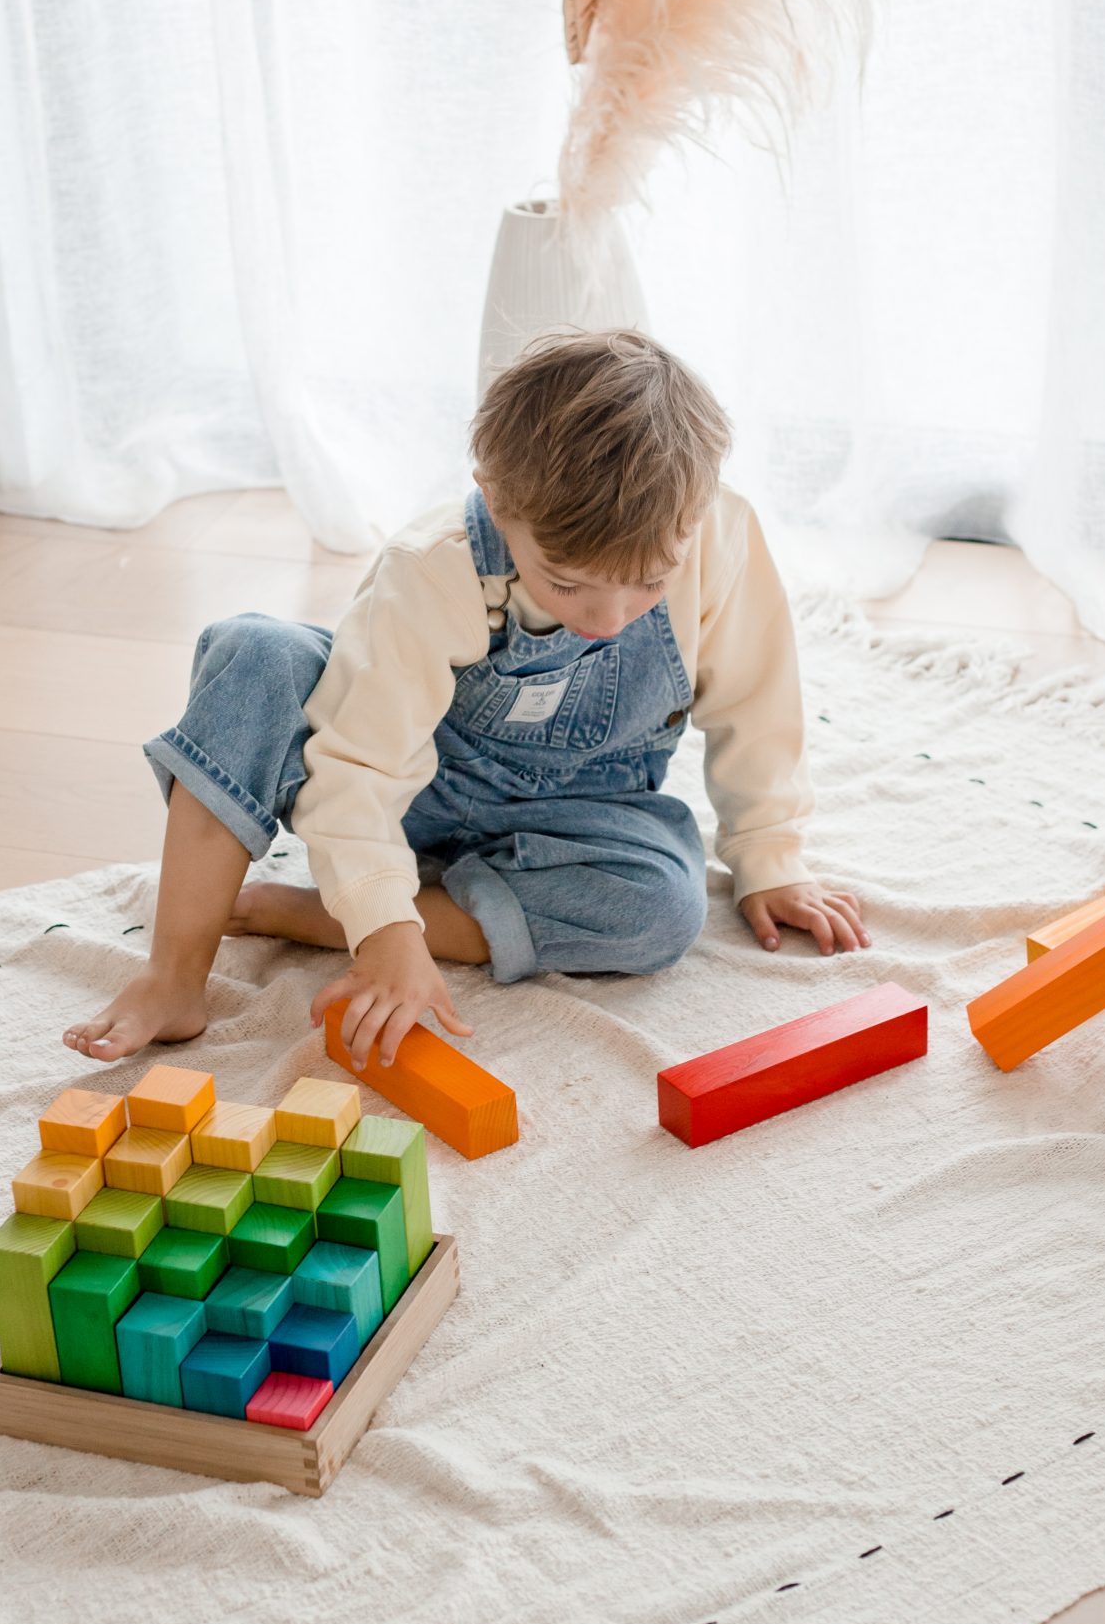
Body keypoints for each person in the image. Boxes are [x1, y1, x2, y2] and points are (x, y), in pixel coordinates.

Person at [64, 329, 865, 1072]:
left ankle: (312, 913)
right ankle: (175, 974)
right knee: (257, 653)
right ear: (494, 498)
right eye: (567, 584)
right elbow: (361, 765)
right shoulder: (435, 565)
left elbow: (758, 700)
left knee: (661, 908)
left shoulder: (719, 532)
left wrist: (767, 858)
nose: (609, 617)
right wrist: (382, 931)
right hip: (413, 783)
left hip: (574, 812)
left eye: (649, 584)